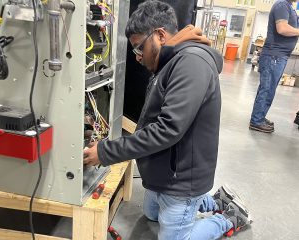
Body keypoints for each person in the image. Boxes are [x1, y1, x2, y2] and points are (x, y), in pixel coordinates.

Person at [84, 1, 251, 239]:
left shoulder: (192, 63)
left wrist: (106, 152)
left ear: (160, 35)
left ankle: (228, 218)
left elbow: (167, 129)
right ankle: (211, 201)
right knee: (152, 215)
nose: (138, 57)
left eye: (139, 48)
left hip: (180, 178)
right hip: (163, 170)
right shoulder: (170, 62)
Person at [249, 0, 299, 133]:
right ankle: (256, 121)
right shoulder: (282, 5)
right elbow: (282, 28)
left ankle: (259, 117)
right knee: (267, 89)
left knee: (269, 89)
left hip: (278, 56)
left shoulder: (289, 7)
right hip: (274, 56)